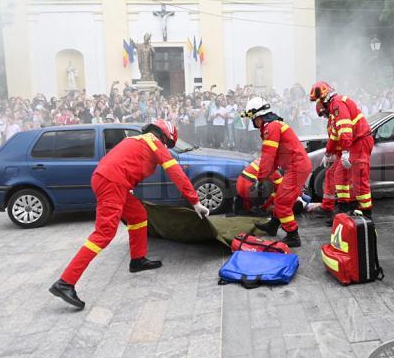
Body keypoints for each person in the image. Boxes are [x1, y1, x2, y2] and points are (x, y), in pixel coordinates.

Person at [49, 120, 210, 309]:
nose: (166, 147)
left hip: (110, 180)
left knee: (138, 215)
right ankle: (65, 282)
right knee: (103, 234)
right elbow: (177, 173)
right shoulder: (155, 143)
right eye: (167, 143)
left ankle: (137, 259)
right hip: (112, 183)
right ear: (165, 136)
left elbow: (124, 162)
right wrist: (195, 202)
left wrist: (126, 185)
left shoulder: (136, 140)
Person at [241, 97, 311, 247]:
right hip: (295, 166)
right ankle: (273, 225)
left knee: (282, 202)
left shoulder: (271, 128)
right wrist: (264, 177)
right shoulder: (272, 126)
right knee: (280, 197)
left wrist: (260, 179)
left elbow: (268, 156)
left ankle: (293, 235)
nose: (253, 122)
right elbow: (273, 159)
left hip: (297, 167)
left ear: (258, 116)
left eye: (253, 118)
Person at [310, 81, 374, 218]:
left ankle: (365, 213)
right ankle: (345, 210)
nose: (324, 115)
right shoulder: (335, 109)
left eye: (320, 104)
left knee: (357, 177)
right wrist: (328, 153)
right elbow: (334, 136)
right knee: (339, 174)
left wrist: (344, 152)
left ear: (324, 98)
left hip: (359, 142)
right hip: (355, 143)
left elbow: (345, 130)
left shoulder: (337, 104)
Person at [306, 101, 339, 222]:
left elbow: (341, 137)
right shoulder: (332, 119)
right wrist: (330, 153)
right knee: (330, 174)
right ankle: (328, 206)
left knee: (340, 179)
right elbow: (333, 139)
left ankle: (344, 211)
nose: (324, 116)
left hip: (348, 152)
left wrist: (341, 153)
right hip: (341, 153)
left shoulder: (337, 117)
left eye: (323, 114)